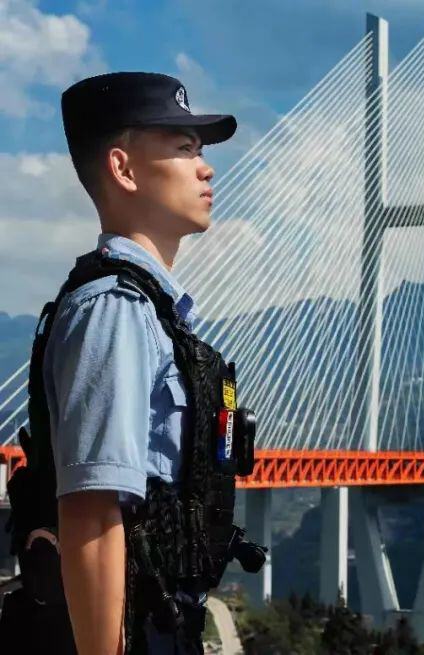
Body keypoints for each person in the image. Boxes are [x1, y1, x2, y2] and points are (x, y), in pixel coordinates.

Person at [0, 72, 263, 655]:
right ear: (123, 169)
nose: (206, 169)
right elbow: (93, 509)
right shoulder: (115, 311)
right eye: (185, 149)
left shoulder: (152, 312)